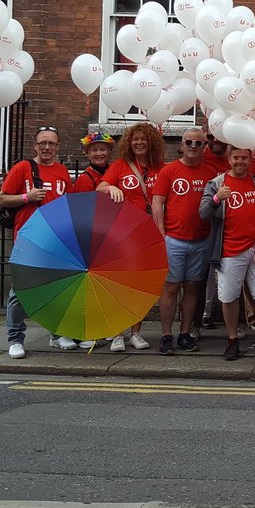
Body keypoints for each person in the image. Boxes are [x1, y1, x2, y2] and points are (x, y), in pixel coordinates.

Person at [199, 148, 255, 361]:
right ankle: (232, 340)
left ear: (250, 159)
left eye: (244, 158)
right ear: (229, 159)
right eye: (236, 158)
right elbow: (202, 213)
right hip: (229, 250)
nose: (240, 161)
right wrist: (216, 200)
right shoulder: (216, 184)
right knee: (229, 297)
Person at [0, 126, 73, 358]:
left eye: (51, 143)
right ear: (35, 145)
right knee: (20, 293)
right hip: (28, 240)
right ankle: (15, 339)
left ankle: (57, 334)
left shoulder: (62, 171)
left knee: (57, 290)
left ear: (58, 147)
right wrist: (25, 197)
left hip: (56, 242)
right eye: (42, 143)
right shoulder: (23, 168)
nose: (47, 147)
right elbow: (1, 199)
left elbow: (69, 205)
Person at [98, 122, 165, 352]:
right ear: (129, 142)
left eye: (143, 139)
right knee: (120, 285)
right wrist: (110, 189)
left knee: (139, 286)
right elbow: (100, 187)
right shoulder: (119, 165)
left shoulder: (160, 168)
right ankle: (117, 334)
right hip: (121, 234)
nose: (139, 142)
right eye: (135, 138)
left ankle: (136, 333)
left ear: (151, 143)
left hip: (148, 234)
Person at [151, 127, 216, 355]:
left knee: (192, 287)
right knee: (171, 287)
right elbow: (157, 202)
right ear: (182, 143)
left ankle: (185, 333)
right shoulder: (169, 170)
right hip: (174, 239)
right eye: (189, 142)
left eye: (198, 143)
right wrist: (161, 233)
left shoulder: (211, 173)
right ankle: (167, 335)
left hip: (201, 239)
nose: (193, 147)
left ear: (204, 147)